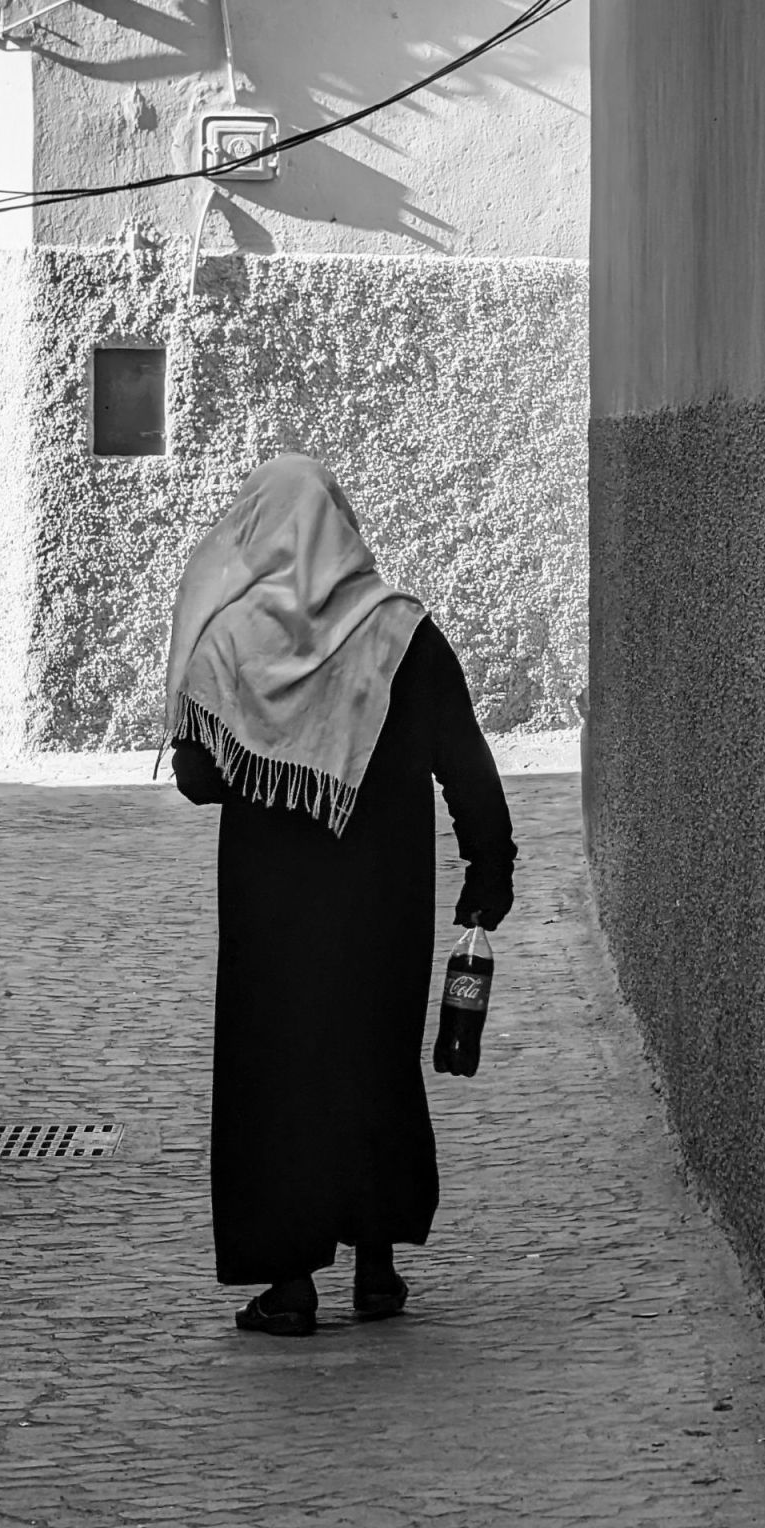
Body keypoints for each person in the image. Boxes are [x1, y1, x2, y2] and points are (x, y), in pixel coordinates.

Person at [162, 453, 516, 1337]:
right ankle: (378, 1268)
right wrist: (489, 867)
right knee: (373, 1059)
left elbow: (201, 781)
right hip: (380, 910)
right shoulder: (402, 633)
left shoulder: (229, 642)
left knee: (277, 1074)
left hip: (273, 918)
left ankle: (289, 1286)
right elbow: (465, 764)